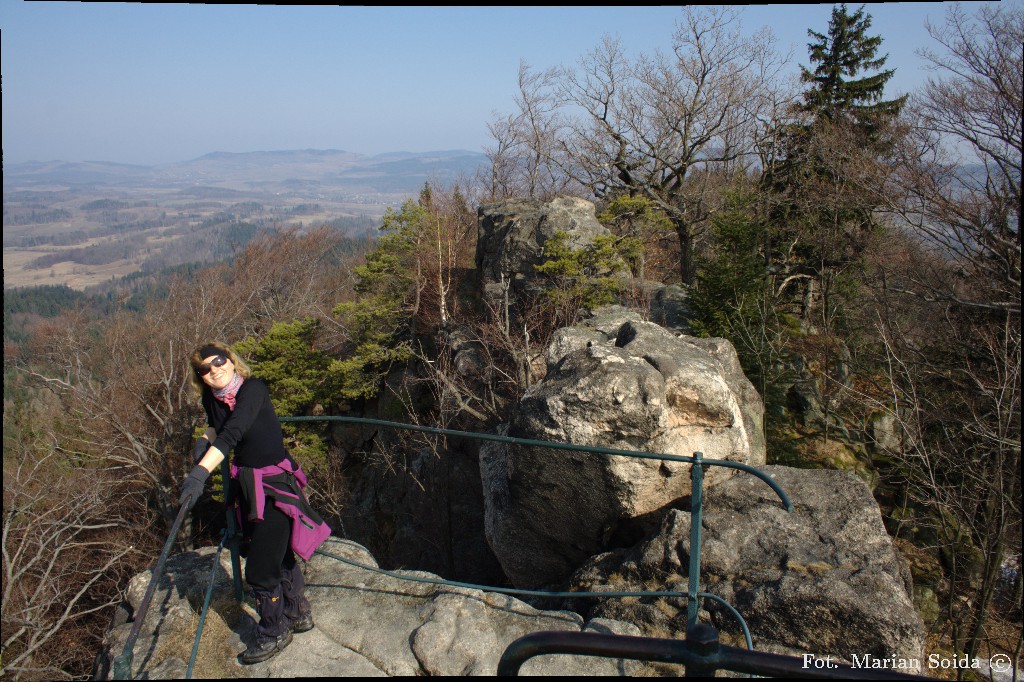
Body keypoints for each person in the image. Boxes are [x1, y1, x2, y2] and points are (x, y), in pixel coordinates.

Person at [180, 342, 331, 665]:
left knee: (261, 567)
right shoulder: (213, 398)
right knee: (276, 551)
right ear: (200, 377)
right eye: (204, 369)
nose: (213, 370)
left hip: (275, 485)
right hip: (248, 485)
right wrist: (204, 439)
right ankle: (296, 611)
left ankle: (274, 630)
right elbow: (216, 424)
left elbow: (233, 432)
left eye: (218, 361)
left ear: (232, 361)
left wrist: (200, 473)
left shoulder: (254, 389)